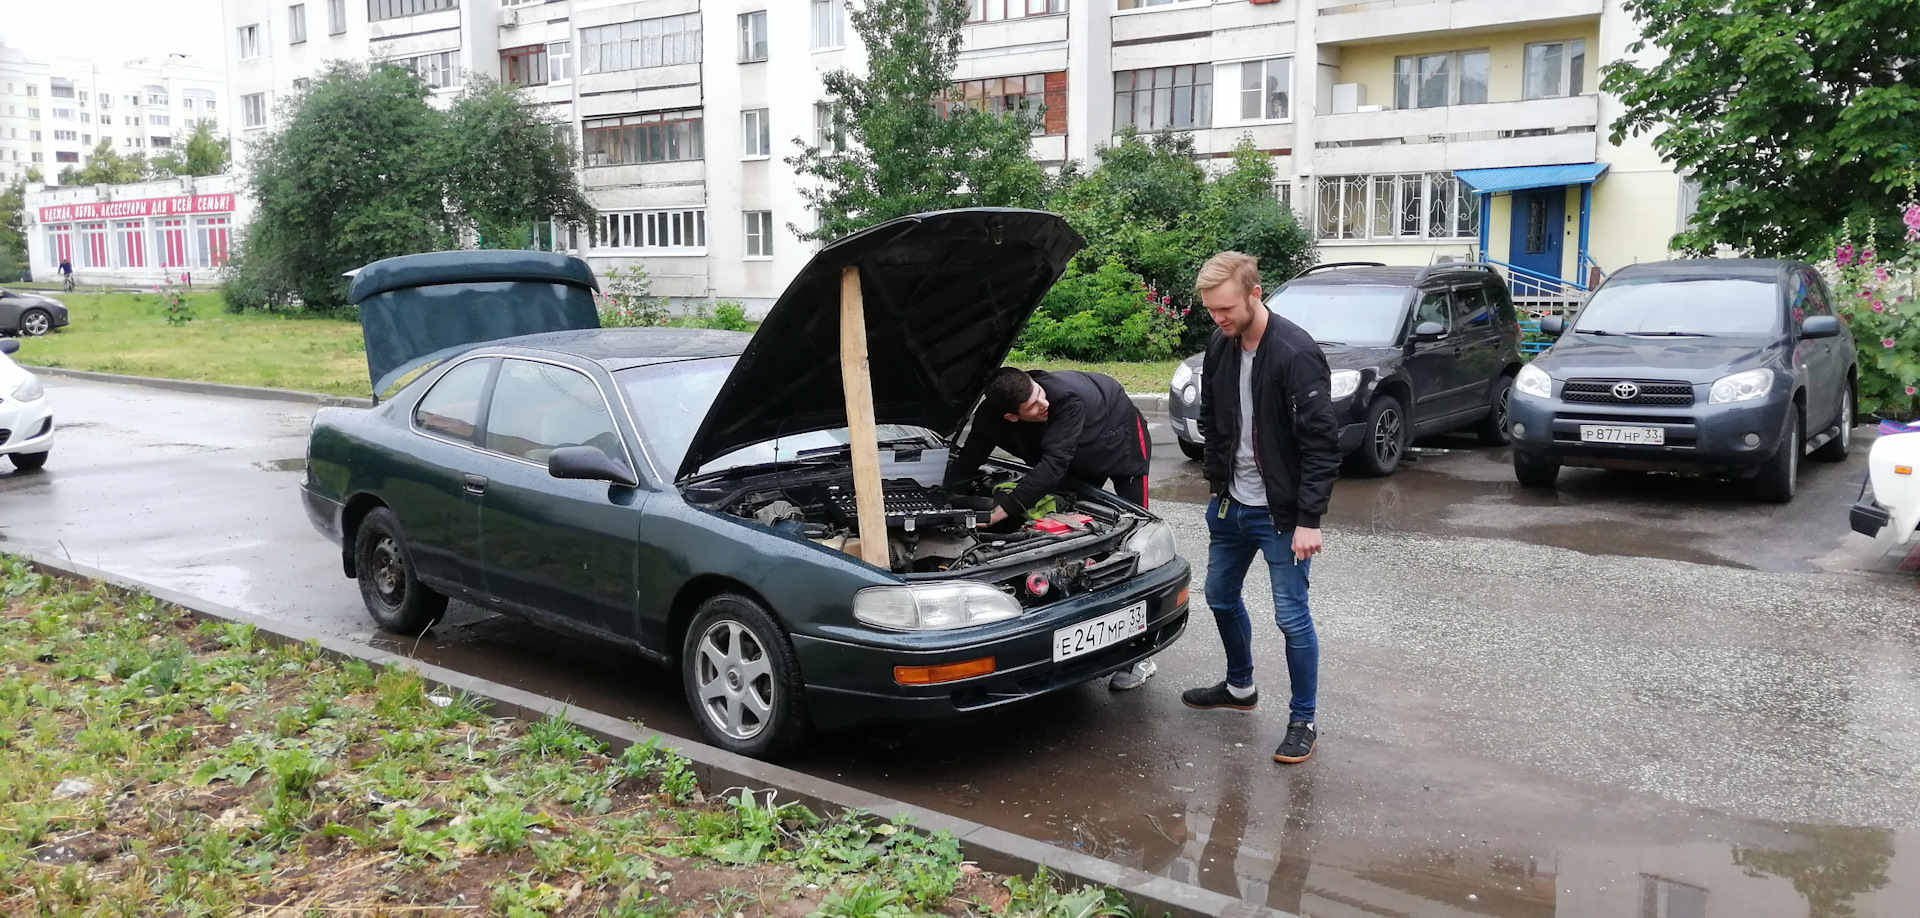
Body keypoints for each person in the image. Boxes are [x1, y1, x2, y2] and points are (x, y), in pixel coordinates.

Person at [1183, 251, 1340, 764]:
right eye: (1211, 310)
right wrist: (1214, 488)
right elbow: (1212, 418)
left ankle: (1303, 720)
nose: (1219, 318)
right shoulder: (1221, 344)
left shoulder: (1295, 353)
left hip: (1282, 514)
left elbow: (1321, 443)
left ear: (1255, 294)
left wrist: (1308, 520)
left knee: (1291, 617)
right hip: (1232, 502)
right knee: (1219, 596)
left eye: (1225, 308)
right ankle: (1240, 688)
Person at [945, 366, 1159, 690]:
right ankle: (1077, 628)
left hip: (1119, 438)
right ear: (1011, 417)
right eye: (1032, 405)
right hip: (1074, 453)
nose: (1042, 403)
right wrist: (943, 494)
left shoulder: (1063, 398)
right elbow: (971, 455)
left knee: (1133, 539)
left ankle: (1141, 654)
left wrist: (1002, 512)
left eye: (1038, 393)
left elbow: (1055, 464)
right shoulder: (991, 416)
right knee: (1078, 539)